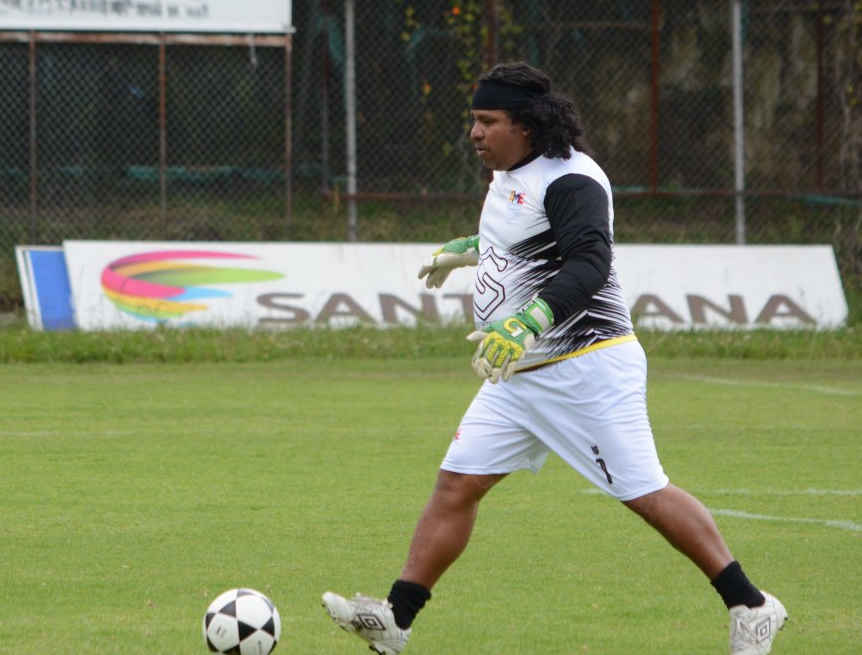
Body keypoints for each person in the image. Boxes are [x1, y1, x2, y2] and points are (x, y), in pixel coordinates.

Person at [321, 62, 787, 655]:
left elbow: (588, 263)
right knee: (455, 485)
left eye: (488, 122)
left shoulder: (572, 180)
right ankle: (397, 618)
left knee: (646, 493)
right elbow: (515, 237)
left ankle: (752, 605)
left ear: (528, 125)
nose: (475, 133)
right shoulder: (508, 173)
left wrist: (526, 322)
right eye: (474, 121)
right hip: (517, 377)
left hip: (586, 369)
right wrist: (465, 252)